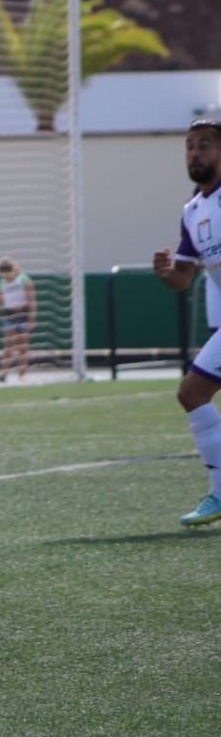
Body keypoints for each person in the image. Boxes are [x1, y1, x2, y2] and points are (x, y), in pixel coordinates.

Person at [151, 117, 221, 527]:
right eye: (190, 146)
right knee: (193, 394)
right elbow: (182, 279)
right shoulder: (192, 211)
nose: (195, 153)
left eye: (205, 145)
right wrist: (164, 271)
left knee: (192, 392)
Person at [0, 257, 37, 383]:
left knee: (23, 346)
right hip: (9, 316)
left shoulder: (24, 280)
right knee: (9, 345)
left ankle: (22, 374)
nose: (6, 276)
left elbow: (31, 300)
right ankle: (4, 373)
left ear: (13, 270)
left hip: (23, 314)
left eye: (8, 273)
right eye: (3, 274)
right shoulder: (1, 283)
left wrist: (32, 318)